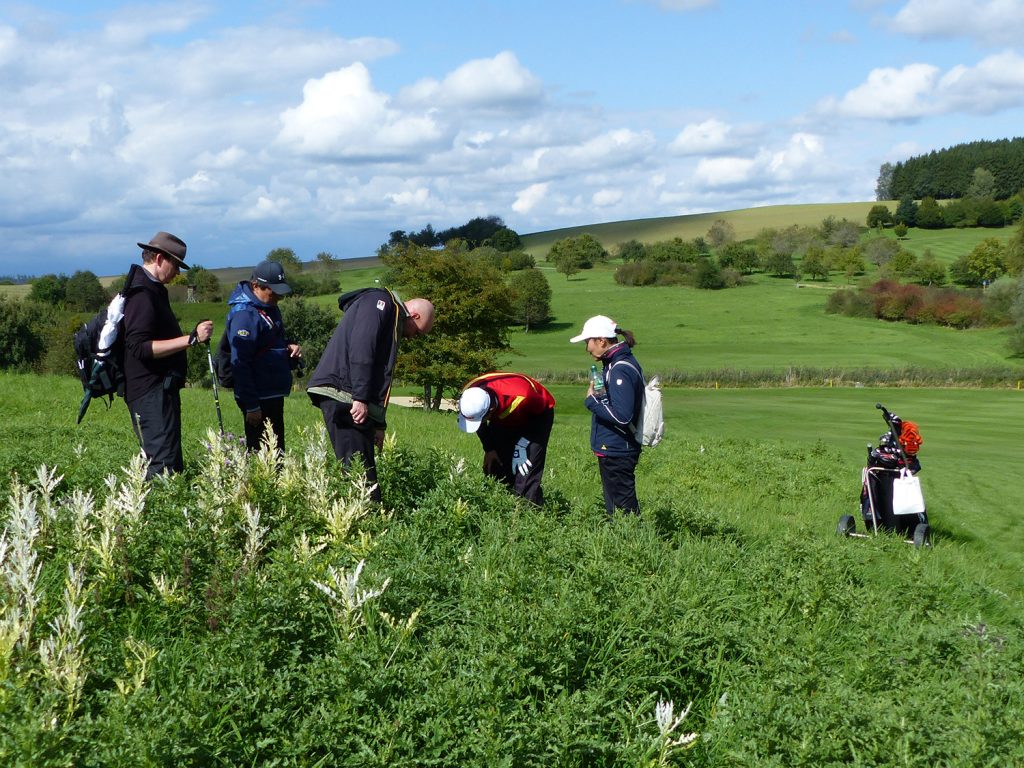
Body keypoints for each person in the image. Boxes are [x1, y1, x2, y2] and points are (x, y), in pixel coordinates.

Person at [306, 287, 434, 502]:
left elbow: (379, 375)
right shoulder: (380, 301)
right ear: (415, 316)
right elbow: (362, 349)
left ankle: (360, 519)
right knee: (358, 472)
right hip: (344, 394)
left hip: (351, 395)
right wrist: (360, 397)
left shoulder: (389, 314)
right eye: (418, 333)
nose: (413, 338)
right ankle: (365, 523)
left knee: (361, 467)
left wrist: (378, 425)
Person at [122, 232, 213, 480]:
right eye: (176, 265)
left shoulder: (152, 288)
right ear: (160, 258)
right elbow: (140, 347)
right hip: (149, 391)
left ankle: (166, 510)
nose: (177, 273)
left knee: (170, 461)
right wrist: (190, 339)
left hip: (159, 390)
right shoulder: (142, 294)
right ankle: (157, 513)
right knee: (162, 465)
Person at [224, 260, 303, 453]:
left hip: (272, 393)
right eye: (273, 291)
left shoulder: (269, 306)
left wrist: (288, 345)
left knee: (276, 452)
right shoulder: (244, 315)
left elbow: (272, 339)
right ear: (256, 286)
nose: (278, 296)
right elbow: (240, 363)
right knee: (263, 455)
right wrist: (251, 405)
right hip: (258, 398)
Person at [570, 315, 644, 515]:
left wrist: (591, 401)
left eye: (588, 342)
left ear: (601, 340)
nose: (587, 348)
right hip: (614, 447)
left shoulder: (619, 369)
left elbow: (622, 416)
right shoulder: (614, 364)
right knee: (616, 508)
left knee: (624, 510)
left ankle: (632, 543)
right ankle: (622, 541)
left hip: (619, 449)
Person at [457, 372, 556, 506]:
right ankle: (498, 505)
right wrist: (489, 448)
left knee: (525, 469)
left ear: (491, 409)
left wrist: (522, 445)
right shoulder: (470, 393)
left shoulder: (524, 395)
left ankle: (528, 511)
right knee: (495, 464)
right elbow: (479, 424)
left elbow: (540, 416)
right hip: (502, 416)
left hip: (536, 415)